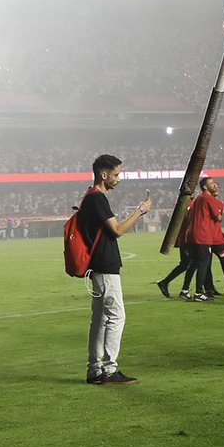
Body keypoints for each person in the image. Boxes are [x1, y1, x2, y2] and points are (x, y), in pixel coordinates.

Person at [77, 154, 150, 385]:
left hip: (97, 266)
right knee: (116, 316)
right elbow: (117, 229)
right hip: (104, 265)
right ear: (103, 174)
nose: (119, 178)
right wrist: (140, 210)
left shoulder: (90, 196)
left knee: (99, 319)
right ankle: (109, 370)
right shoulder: (97, 198)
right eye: (116, 174)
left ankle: (95, 370)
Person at [188, 176, 224, 301]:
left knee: (218, 259)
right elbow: (218, 217)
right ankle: (200, 291)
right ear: (205, 187)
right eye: (212, 183)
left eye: (216, 183)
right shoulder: (207, 198)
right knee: (204, 263)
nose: (216, 185)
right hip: (205, 236)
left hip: (214, 236)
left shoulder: (202, 200)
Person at [156, 193, 196, 300]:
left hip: (187, 238)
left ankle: (165, 283)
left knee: (186, 264)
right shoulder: (185, 203)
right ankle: (185, 290)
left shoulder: (189, 202)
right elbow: (186, 221)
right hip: (186, 239)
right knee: (193, 263)